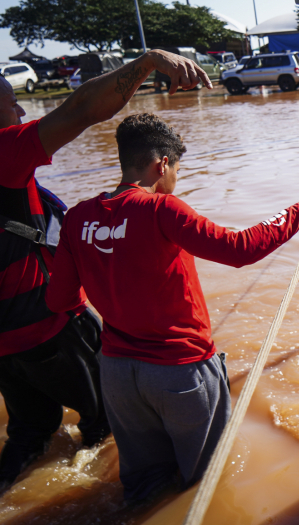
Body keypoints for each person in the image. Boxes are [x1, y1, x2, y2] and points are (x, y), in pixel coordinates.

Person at [45, 113, 299, 502]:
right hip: (180, 371)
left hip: (117, 375)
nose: (175, 180)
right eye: (176, 170)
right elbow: (241, 249)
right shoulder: (162, 210)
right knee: (205, 487)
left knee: (144, 487)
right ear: (161, 164)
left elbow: (60, 300)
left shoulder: (78, 217)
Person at [0, 49, 209, 493]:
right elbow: (78, 110)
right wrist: (148, 61)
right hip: (45, 324)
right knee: (107, 424)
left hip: (3, 347)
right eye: (10, 102)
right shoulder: (4, 153)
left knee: (29, 431)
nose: (20, 110)